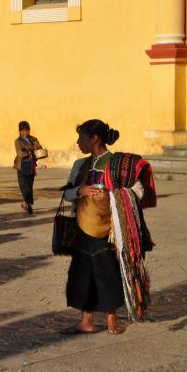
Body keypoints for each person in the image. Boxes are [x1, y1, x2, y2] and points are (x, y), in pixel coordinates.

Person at [60, 120, 155, 335]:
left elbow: (138, 191)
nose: (77, 142)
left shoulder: (119, 163)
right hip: (83, 227)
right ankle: (86, 320)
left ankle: (112, 317)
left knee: (107, 273)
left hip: (110, 230)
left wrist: (112, 195)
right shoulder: (79, 165)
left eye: (81, 137)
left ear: (94, 139)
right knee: (81, 273)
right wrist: (80, 190)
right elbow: (66, 193)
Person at [14, 121, 41, 215]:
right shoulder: (18, 141)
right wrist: (31, 150)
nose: (25, 132)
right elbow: (20, 154)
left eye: (27, 130)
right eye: (23, 131)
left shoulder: (33, 139)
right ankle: (28, 203)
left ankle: (25, 202)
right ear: (20, 131)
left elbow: (39, 147)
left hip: (31, 165)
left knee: (29, 186)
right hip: (21, 166)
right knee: (23, 186)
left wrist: (35, 149)